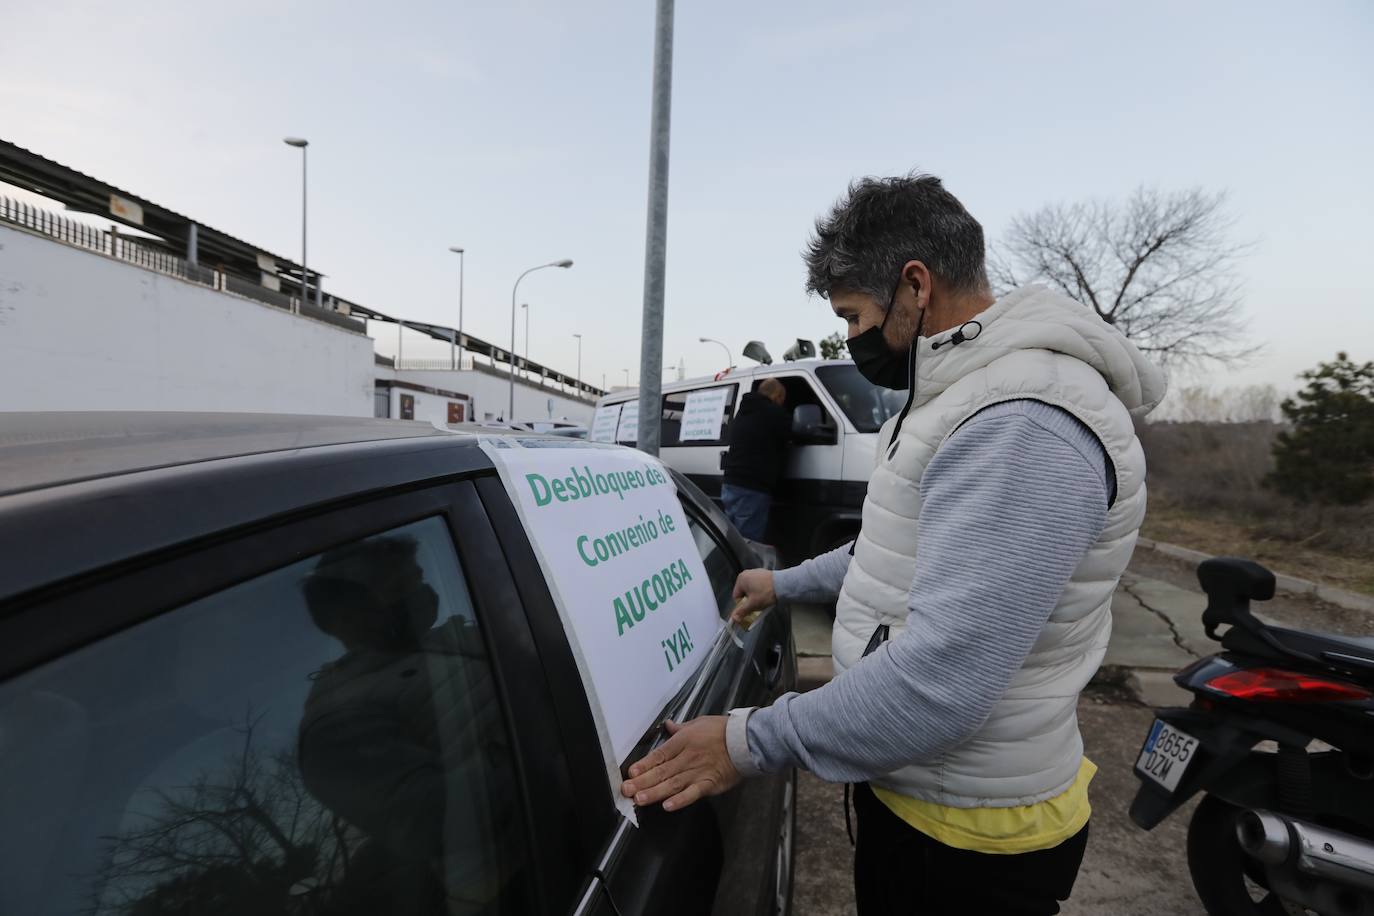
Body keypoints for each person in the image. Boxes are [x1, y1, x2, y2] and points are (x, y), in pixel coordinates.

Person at [621, 173, 1166, 915]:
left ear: (916, 286)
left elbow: (944, 679)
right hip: (930, 801)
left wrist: (746, 741)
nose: (850, 337)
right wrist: (784, 584)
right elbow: (906, 550)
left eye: (852, 314)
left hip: (971, 838)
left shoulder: (1023, 423)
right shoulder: (963, 393)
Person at [719, 376, 791, 541]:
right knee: (747, 543)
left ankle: (727, 567)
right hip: (752, 487)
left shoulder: (743, 411)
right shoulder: (773, 413)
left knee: (730, 539)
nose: (782, 402)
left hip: (730, 483)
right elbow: (792, 434)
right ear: (776, 396)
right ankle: (742, 567)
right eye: (782, 399)